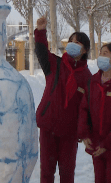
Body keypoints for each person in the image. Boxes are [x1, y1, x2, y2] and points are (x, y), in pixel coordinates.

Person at [35, 17, 92, 183]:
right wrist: (40, 31)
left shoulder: (87, 78)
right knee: (46, 172)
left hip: (69, 133)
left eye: (78, 42)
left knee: (67, 174)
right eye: (71, 40)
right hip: (49, 128)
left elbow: (87, 108)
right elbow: (41, 51)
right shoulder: (55, 65)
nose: (72, 44)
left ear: (85, 50)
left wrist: (84, 131)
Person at [78, 43, 111, 183]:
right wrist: (85, 134)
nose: (101, 56)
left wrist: (107, 144)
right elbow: (84, 109)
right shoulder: (92, 81)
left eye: (105, 53)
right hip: (96, 144)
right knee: (99, 179)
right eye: (100, 53)